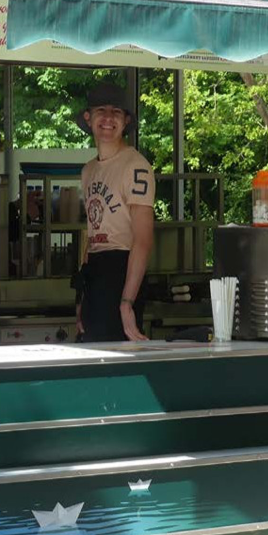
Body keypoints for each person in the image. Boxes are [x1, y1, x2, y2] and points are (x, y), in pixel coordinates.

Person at [75, 83, 154, 342]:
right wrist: (82, 297)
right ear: (88, 117)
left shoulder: (136, 167)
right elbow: (92, 233)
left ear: (126, 120)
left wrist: (127, 302)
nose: (108, 118)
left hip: (122, 268)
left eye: (116, 112)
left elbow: (142, 240)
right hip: (95, 272)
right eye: (101, 110)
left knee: (117, 356)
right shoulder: (88, 170)